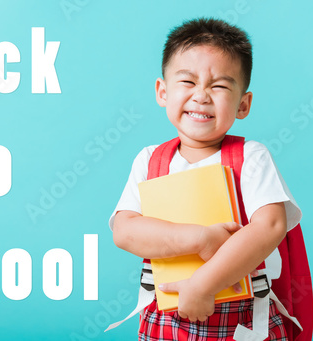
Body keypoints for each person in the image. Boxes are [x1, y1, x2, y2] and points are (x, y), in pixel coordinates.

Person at [109, 18, 302, 340]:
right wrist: (200, 238)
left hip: (242, 319)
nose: (201, 96)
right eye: (187, 81)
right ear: (162, 91)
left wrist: (203, 285)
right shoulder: (150, 159)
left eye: (220, 86)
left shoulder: (251, 157)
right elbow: (125, 230)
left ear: (243, 104)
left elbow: (269, 227)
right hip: (166, 315)